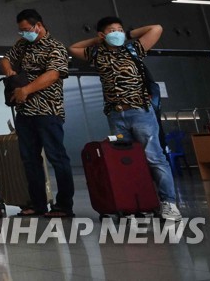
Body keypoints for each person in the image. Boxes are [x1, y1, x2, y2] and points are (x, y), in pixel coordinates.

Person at [68, 18, 180, 220]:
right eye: (112, 31)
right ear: (103, 35)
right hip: (116, 116)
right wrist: (98, 39)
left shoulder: (134, 49)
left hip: (140, 112)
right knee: (126, 160)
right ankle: (136, 203)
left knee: (154, 158)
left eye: (119, 30)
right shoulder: (97, 54)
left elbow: (157, 27)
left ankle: (168, 203)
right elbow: (73, 48)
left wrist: (127, 34)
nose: (117, 33)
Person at [0, 8, 74, 218]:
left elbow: (53, 74)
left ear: (38, 25)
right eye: (21, 31)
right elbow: (5, 59)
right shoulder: (22, 45)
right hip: (25, 111)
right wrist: (10, 72)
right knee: (29, 159)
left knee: (57, 157)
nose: (24, 34)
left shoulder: (55, 47)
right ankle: (38, 203)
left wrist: (25, 90)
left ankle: (64, 205)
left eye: (26, 30)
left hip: (48, 110)